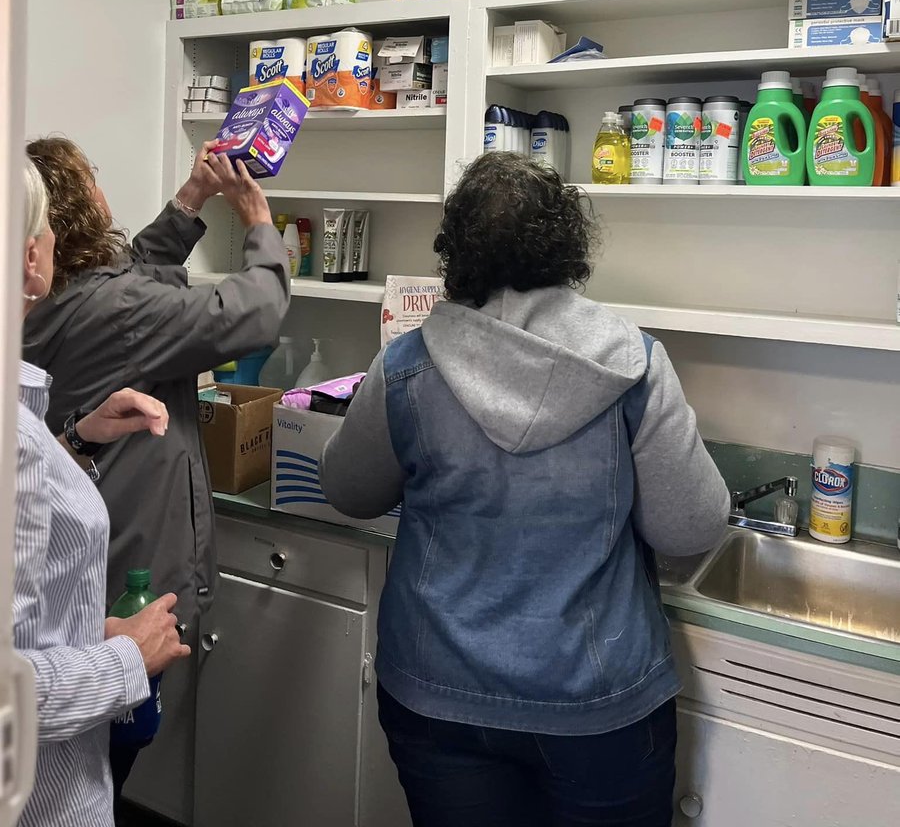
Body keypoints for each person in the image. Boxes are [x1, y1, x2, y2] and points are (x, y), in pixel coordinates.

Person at [321, 152, 730, 827]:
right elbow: (691, 528)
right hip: (594, 702)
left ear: (456, 253)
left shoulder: (404, 367)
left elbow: (348, 489)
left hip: (439, 694)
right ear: (569, 245)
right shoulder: (635, 364)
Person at [24, 136, 290, 816]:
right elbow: (255, 311)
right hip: (132, 575)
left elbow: (134, 279)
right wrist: (258, 221)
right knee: (96, 764)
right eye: (91, 178)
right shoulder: (117, 308)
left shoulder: (55, 302)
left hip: (85, 564)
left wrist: (192, 199)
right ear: (76, 209)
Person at [16, 156, 190, 827]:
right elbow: (11, 691)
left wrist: (78, 440)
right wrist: (126, 658)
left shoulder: (22, 420)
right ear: (33, 259)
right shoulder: (14, 439)